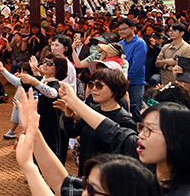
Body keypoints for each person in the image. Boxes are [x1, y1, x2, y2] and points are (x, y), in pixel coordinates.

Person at [13, 90, 161, 196]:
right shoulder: (106, 175)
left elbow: (113, 132)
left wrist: (29, 167)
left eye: (91, 190)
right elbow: (61, 183)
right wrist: (34, 133)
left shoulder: (125, 121)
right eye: (86, 186)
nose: (83, 193)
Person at [57, 81, 190, 195]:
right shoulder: (145, 155)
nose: (141, 135)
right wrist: (73, 101)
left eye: (149, 129)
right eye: (142, 128)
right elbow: (111, 130)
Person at [57, 68, 136, 175]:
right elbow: (72, 132)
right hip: (85, 173)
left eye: (99, 85)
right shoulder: (93, 110)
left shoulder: (125, 121)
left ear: (115, 89)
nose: (93, 89)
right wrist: (68, 114)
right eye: (91, 85)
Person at [118, 18, 148, 114]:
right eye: (120, 29)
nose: (122, 31)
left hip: (135, 82)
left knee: (136, 110)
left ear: (132, 28)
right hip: (122, 81)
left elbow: (137, 64)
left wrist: (127, 79)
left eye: (124, 29)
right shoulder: (120, 44)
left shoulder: (140, 43)